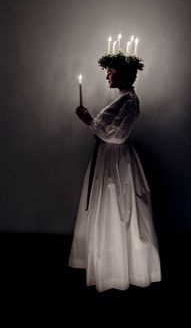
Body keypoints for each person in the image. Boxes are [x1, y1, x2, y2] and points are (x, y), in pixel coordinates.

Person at [69, 52, 161, 292]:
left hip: (117, 163)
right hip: (108, 159)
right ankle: (107, 265)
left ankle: (121, 269)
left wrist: (90, 120)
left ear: (122, 74)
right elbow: (109, 131)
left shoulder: (130, 101)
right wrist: (93, 123)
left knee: (119, 209)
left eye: (110, 72)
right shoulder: (123, 98)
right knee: (107, 209)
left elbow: (117, 136)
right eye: (107, 72)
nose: (106, 76)